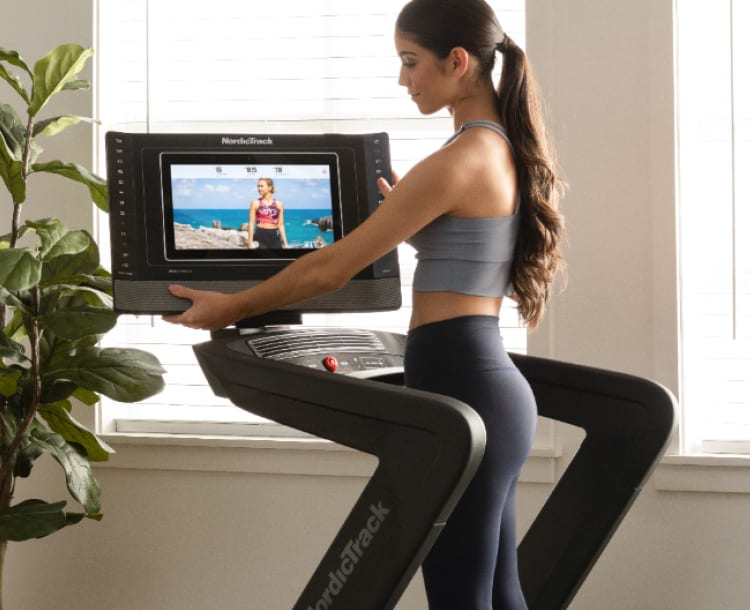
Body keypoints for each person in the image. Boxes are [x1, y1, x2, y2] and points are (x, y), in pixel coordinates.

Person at [164, 0, 565, 607]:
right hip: (488, 387)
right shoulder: (496, 148)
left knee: (460, 597)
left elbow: (330, 268)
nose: (403, 79)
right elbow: (466, 237)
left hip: (466, 386)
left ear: (457, 62)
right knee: (499, 595)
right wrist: (411, 207)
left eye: (411, 62)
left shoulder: (459, 158)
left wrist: (230, 307)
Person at [248, 177, 289, 248]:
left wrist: (285, 244)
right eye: (258, 186)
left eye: (261, 186)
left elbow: (281, 225)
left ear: (270, 187)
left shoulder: (279, 204)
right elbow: (251, 224)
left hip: (275, 236)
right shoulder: (255, 203)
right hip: (260, 235)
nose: (259, 188)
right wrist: (250, 243)